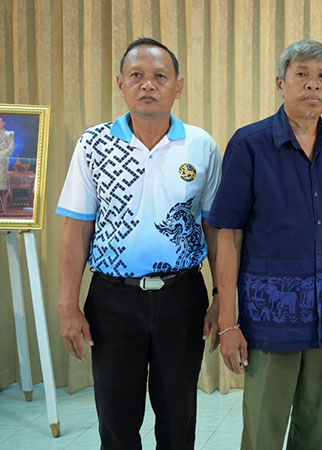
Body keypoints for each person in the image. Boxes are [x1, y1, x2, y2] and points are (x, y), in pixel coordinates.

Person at [56, 37, 222, 449]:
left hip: (182, 298)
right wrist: (68, 306)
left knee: (178, 416)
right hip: (113, 300)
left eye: (160, 76)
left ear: (178, 86)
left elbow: (217, 230)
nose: (148, 84)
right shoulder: (93, 144)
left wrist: (222, 297)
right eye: (137, 76)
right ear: (120, 84)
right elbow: (77, 229)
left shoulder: (200, 146)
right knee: (115, 419)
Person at [207, 39, 322, 450]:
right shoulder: (249, 145)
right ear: (281, 83)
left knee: (320, 433)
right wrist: (229, 321)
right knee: (264, 430)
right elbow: (227, 234)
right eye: (302, 74)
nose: (312, 85)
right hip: (269, 321)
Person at [0, 116, 14, 209]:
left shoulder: (9, 134)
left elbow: (10, 148)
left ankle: (2, 206)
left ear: (4, 123)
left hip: (2, 163)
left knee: (1, 184)